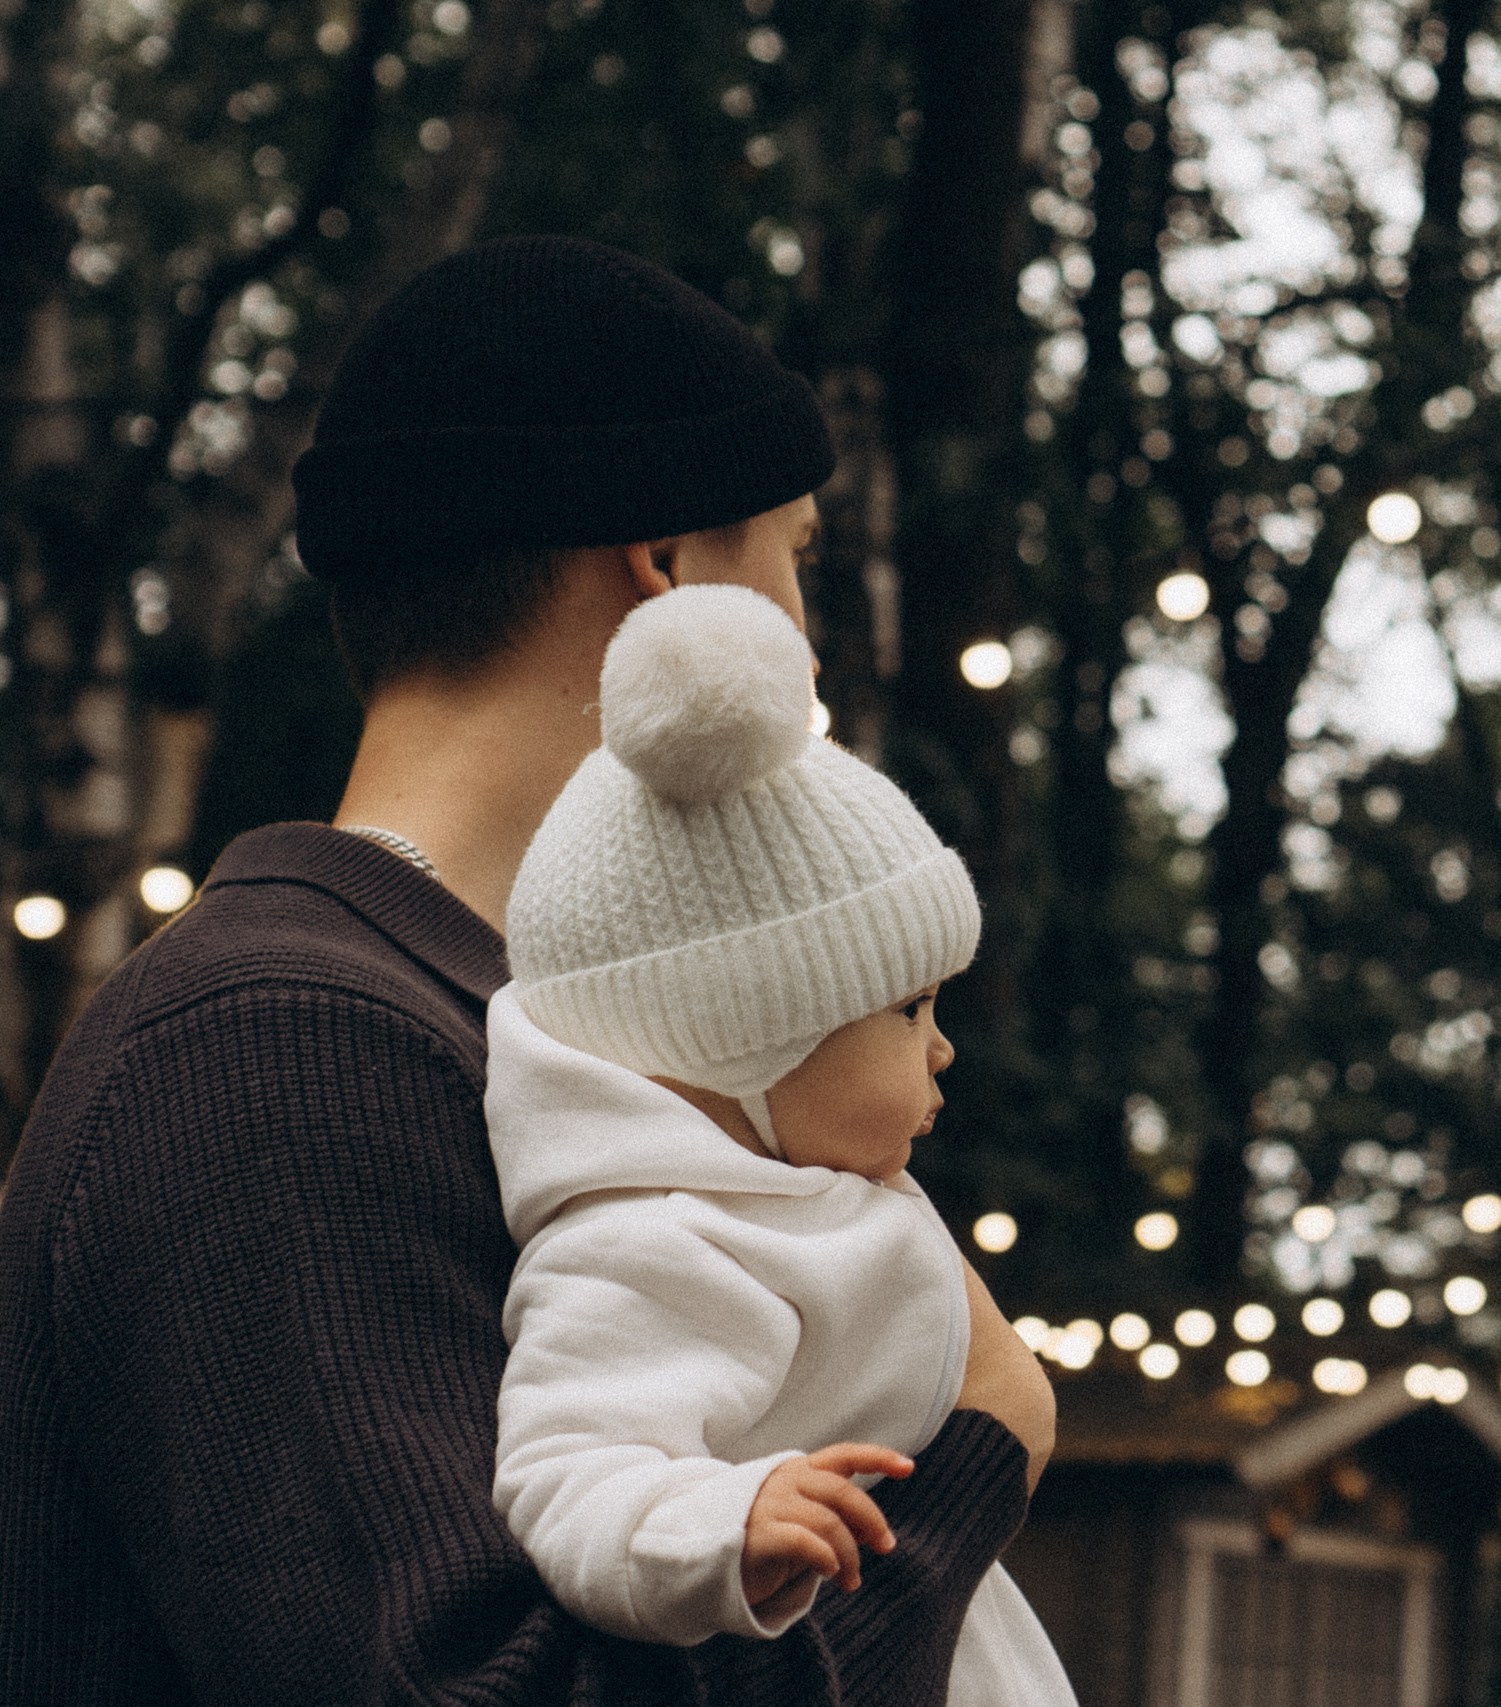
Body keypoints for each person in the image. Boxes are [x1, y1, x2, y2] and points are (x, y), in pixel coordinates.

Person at [0, 234, 1054, 1705]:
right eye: (799, 557)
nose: (810, 645)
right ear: (672, 566)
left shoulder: (534, 1048)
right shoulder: (271, 1047)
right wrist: (976, 1450)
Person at [485, 582, 1072, 1705]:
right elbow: (568, 1470)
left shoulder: (790, 1191)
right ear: (743, 1042)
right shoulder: (656, 1240)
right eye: (909, 1008)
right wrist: (725, 1521)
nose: (943, 1047)